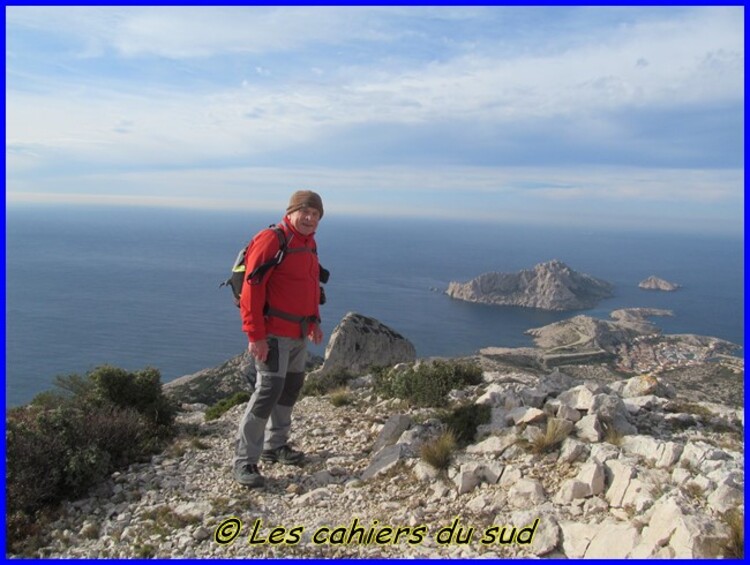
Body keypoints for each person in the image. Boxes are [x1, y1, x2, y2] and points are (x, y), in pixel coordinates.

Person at [233, 190, 325, 488]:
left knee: (291, 387)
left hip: (298, 332)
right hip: (272, 334)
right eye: (305, 212)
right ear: (291, 212)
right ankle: (245, 460)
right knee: (268, 392)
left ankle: (276, 445)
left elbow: (308, 285)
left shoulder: (308, 243)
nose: (310, 218)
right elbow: (252, 289)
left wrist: (314, 320)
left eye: (316, 214)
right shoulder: (273, 239)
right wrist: (255, 335)